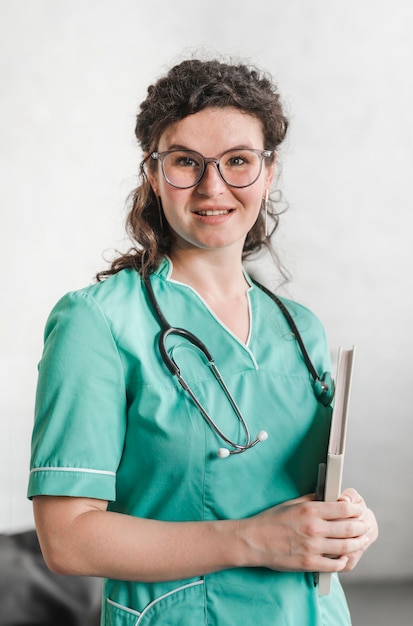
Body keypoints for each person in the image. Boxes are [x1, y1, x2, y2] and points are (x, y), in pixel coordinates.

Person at [28, 57, 378, 626]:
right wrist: (251, 540)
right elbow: (67, 540)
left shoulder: (301, 328)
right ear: (153, 172)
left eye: (238, 161)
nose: (213, 186)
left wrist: (346, 525)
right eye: (186, 161)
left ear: (268, 172)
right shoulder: (96, 323)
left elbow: (296, 493)